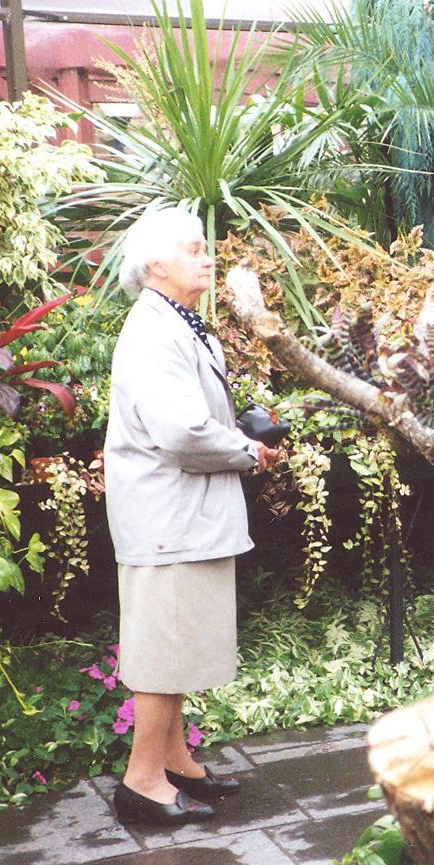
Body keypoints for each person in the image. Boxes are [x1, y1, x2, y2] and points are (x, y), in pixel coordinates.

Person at [103, 206, 280, 826]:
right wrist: (246, 451)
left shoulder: (176, 322)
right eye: (194, 249)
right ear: (156, 265)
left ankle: (175, 760)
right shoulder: (154, 332)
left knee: (177, 645)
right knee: (163, 652)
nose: (208, 257)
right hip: (168, 520)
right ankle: (142, 781)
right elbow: (180, 433)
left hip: (180, 517)